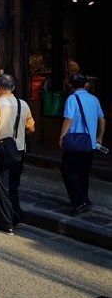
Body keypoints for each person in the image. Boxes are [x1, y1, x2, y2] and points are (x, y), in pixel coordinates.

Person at [0, 74, 35, 235]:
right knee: (13, 185)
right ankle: (17, 217)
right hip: (19, 149)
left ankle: (5, 223)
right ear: (13, 88)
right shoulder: (23, 104)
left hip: (0, 149)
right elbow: (31, 129)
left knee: (0, 186)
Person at [59, 73, 106, 215]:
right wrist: (99, 137)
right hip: (90, 143)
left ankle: (80, 202)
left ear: (71, 85)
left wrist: (61, 136)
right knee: (83, 174)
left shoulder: (72, 99)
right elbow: (102, 120)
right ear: (86, 84)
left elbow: (68, 120)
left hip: (75, 142)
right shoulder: (94, 99)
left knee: (67, 170)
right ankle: (83, 199)